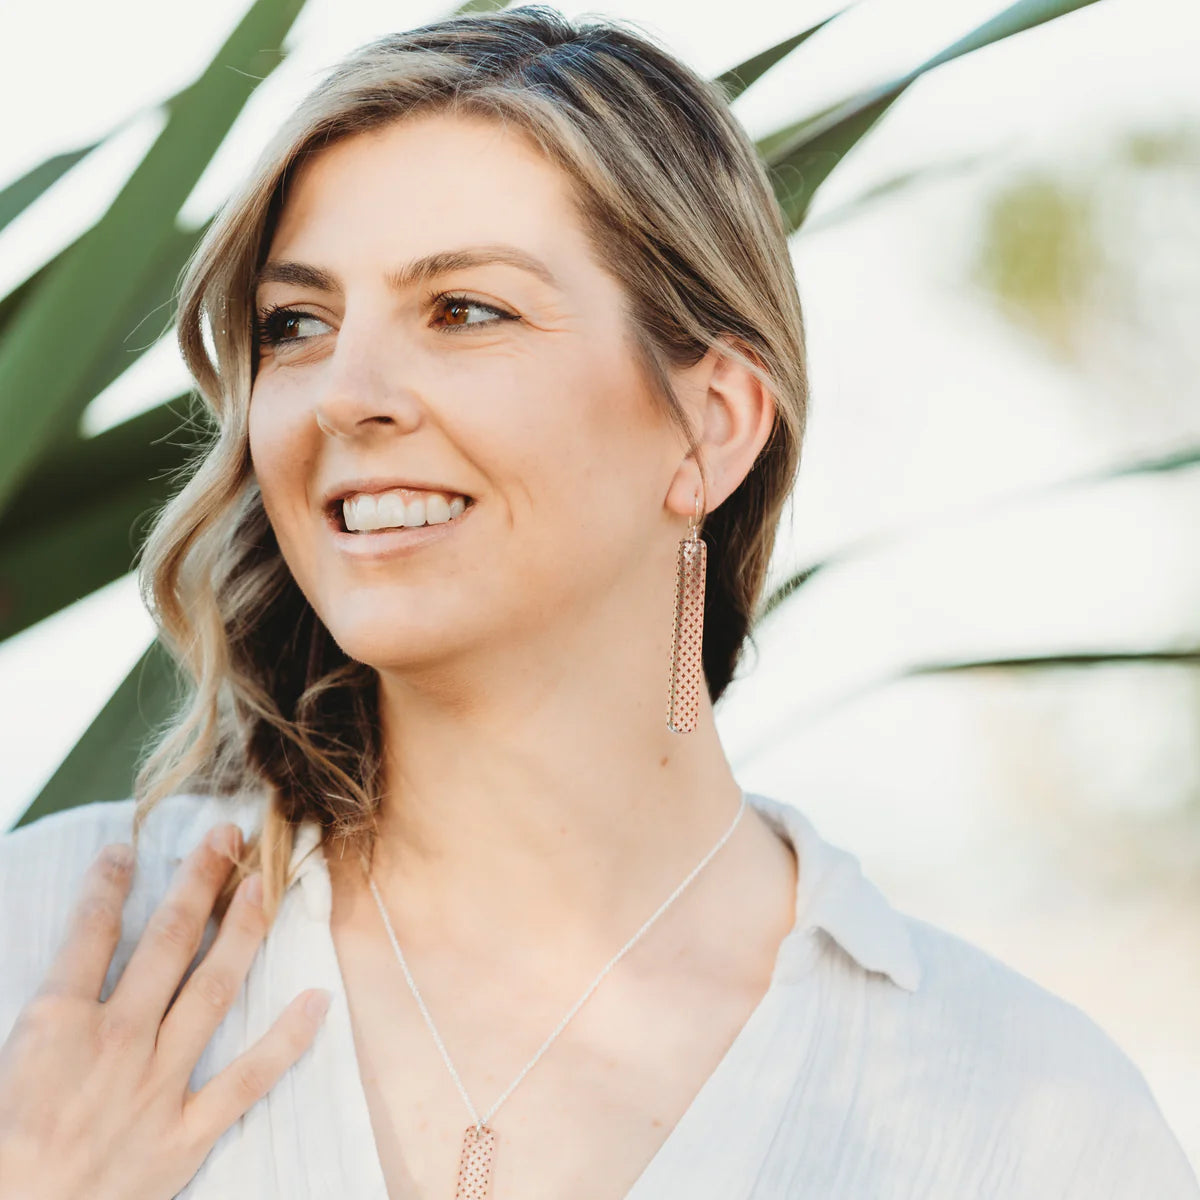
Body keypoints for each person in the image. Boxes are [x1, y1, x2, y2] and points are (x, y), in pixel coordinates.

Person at [0, 7, 1195, 1198]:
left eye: (466, 309)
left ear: (710, 426)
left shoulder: (1019, 1117)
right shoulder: (44, 952)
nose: (342, 394)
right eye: (296, 325)